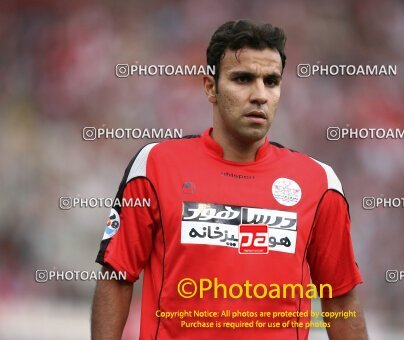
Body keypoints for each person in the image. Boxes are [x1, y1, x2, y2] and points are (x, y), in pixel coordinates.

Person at [91, 19, 368, 340]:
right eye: (243, 79)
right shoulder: (155, 166)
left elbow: (340, 301)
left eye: (271, 81)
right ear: (210, 86)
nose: (260, 95)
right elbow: (117, 278)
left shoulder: (319, 183)